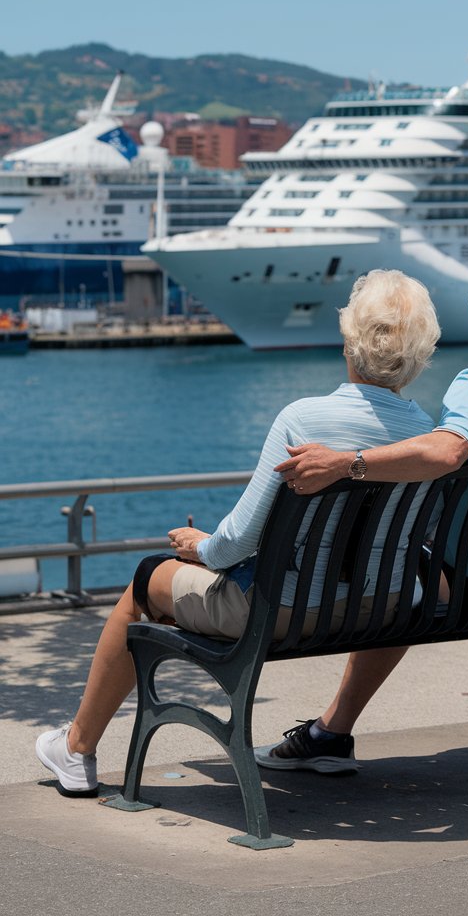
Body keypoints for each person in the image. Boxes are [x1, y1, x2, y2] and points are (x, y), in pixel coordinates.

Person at [35, 269, 441, 795]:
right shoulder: (430, 435)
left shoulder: (302, 419)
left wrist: (199, 547)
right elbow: (420, 532)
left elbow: (239, 542)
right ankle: (331, 736)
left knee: (144, 583)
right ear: (419, 353)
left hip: (283, 613)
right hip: (381, 607)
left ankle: (77, 749)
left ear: (349, 341)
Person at [256, 243, 468, 775]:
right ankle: (328, 729)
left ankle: (331, 732)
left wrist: (346, 462)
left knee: (393, 571)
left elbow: (447, 451)